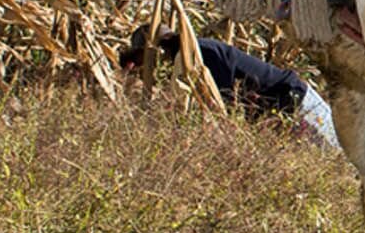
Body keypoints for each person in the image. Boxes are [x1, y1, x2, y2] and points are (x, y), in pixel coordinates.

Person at [119, 29, 339, 148]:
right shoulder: (190, 56)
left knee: (340, 159)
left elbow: (222, 98)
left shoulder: (199, 53)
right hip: (284, 109)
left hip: (294, 103)